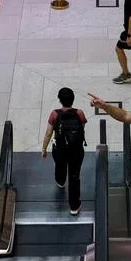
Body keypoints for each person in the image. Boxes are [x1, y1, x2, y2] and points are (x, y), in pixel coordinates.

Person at [41, 87, 88, 215]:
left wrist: (44, 149)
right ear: (73, 99)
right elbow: (82, 127)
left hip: (60, 149)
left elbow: (48, 133)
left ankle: (60, 181)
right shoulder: (80, 113)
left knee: (60, 165)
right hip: (76, 151)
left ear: (60, 100)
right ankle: (74, 206)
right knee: (74, 176)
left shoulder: (55, 114)